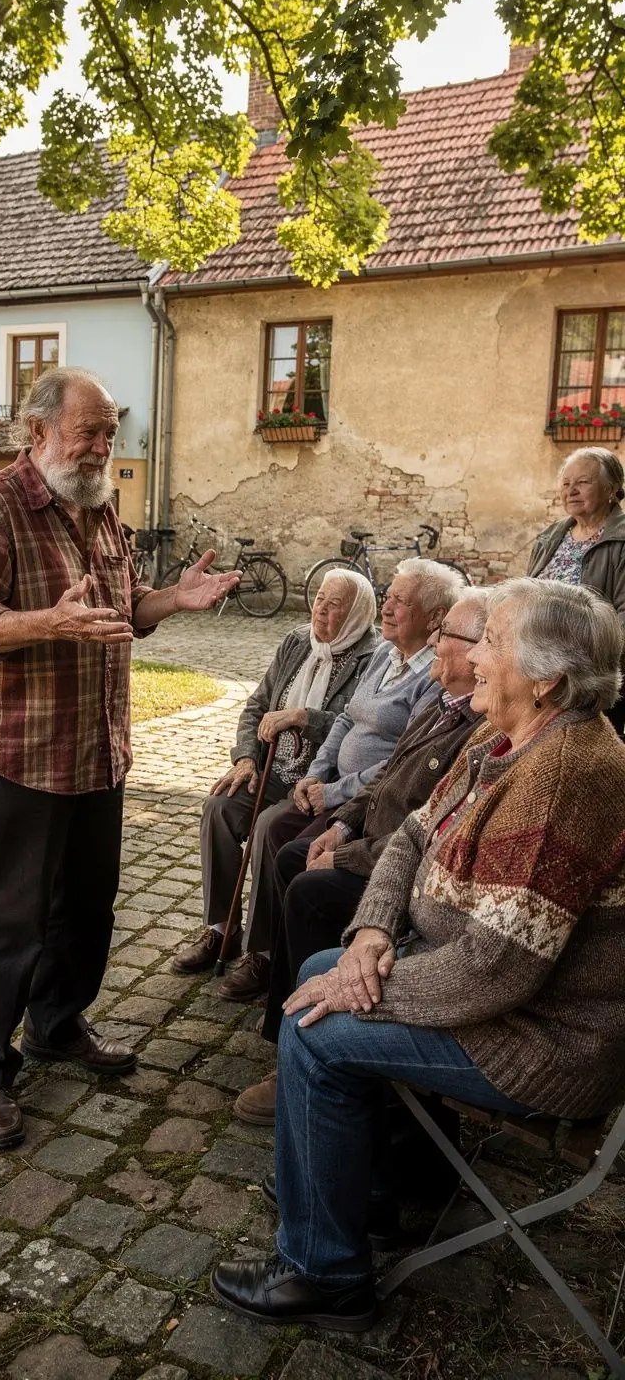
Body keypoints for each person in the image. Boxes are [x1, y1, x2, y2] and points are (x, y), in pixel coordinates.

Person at [211, 578, 625, 1332]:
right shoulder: (504, 735)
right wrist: (369, 935)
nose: (473, 659)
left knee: (316, 1030)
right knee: (314, 973)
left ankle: (326, 1273)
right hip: (488, 988)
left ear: (548, 679)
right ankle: (357, 1192)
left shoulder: (564, 776)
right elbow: (409, 837)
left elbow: (494, 971)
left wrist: (352, 988)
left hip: (545, 1037)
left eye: (491, 643)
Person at [0, 367, 239, 1149]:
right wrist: (46, 624)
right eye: (91, 432)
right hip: (25, 751)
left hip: (100, 748)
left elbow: (119, 611)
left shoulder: (101, 508)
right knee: (11, 920)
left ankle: (57, 1024)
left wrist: (172, 600)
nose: (105, 445)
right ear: (38, 431)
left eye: (111, 432)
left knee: (89, 906)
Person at [233, 587, 490, 1126]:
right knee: (289, 856)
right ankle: (279, 1007)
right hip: (371, 832)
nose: (439, 645)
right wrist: (343, 820)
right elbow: (391, 773)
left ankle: (297, 1043)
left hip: (401, 870)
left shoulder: (476, 725)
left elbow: (428, 833)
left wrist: (349, 852)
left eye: (452, 637)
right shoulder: (445, 704)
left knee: (306, 884)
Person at [214, 559, 463, 1003]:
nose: (388, 609)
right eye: (388, 597)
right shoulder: (378, 654)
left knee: (279, 835)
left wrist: (329, 791)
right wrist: (297, 772)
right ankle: (223, 930)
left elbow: (399, 761)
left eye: (400, 602)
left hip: (359, 796)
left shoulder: (427, 673)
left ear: (434, 618)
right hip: (319, 783)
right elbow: (342, 719)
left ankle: (270, 956)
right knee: (223, 807)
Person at [172, 570, 378, 987]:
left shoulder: (371, 657)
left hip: (318, 785)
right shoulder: (297, 642)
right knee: (219, 807)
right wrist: (246, 758)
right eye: (319, 597)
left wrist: (304, 718)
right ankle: (220, 930)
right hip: (270, 770)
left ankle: (262, 951)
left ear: (357, 612)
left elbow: (357, 726)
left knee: (269, 826)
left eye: (334, 604)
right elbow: (257, 706)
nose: (321, 608)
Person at [528, 445, 625, 731]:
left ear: (612, 488)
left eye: (583, 482)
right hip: (538, 667)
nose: (571, 491)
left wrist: (591, 668)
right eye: (566, 483)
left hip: (588, 677)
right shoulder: (550, 537)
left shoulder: (621, 541)